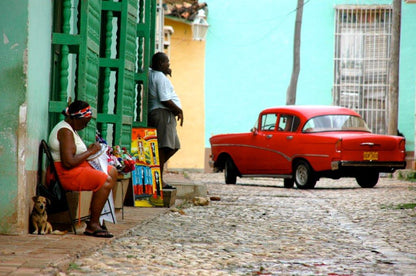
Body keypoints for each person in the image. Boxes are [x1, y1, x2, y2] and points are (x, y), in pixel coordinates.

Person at [48, 100, 117, 238]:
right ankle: (93, 224)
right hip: (66, 173)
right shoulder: (65, 131)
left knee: (113, 172)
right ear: (76, 118)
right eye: (85, 122)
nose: (86, 125)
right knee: (105, 181)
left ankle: (102, 217)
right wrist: (90, 152)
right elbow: (68, 162)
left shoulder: (71, 128)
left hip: (76, 168)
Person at [148, 52, 184, 189]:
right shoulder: (159, 77)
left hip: (163, 115)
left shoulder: (155, 74)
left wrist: (165, 71)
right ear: (160, 63)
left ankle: (157, 172)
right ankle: (157, 178)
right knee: (164, 148)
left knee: (173, 146)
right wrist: (178, 111)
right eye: (167, 62)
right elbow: (164, 99)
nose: (169, 64)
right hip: (162, 114)